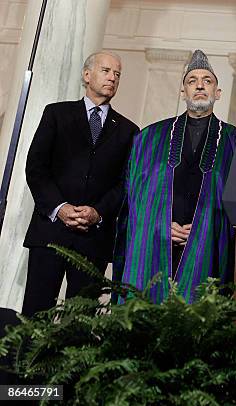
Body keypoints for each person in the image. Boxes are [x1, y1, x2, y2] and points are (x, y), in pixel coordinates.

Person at [114, 50, 236, 304]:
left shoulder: (235, 141)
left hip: (208, 248)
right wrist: (159, 224)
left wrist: (204, 228)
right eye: (192, 81)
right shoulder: (149, 138)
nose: (200, 85)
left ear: (217, 93)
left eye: (207, 80)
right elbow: (133, 199)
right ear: (183, 92)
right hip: (156, 244)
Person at [22, 51, 139, 316]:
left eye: (117, 74)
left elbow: (125, 184)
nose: (112, 78)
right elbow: (36, 168)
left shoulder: (129, 130)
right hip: (49, 232)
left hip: (93, 238)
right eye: (106, 71)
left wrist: (98, 212)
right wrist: (60, 207)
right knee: (35, 314)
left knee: (80, 324)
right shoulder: (56, 114)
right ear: (87, 75)